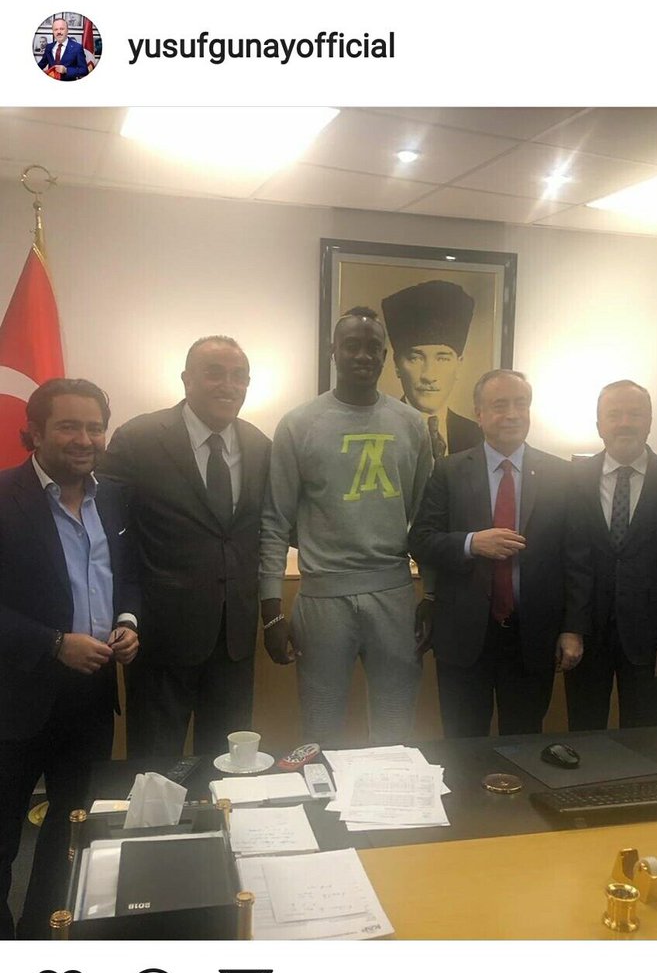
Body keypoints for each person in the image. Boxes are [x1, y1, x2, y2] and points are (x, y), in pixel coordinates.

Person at [0, 379, 139, 939]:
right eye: (68, 426)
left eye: (94, 427)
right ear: (35, 432)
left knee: (70, 831)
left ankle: (43, 938)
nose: (85, 439)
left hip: (90, 699)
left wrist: (128, 621)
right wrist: (54, 642)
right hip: (15, 700)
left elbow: (127, 574)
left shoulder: (116, 498)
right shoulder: (3, 497)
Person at [260, 306, 432, 746]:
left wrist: (430, 594)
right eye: (351, 345)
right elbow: (275, 522)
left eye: (373, 347)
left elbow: (426, 521)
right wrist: (271, 610)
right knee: (320, 732)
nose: (363, 355)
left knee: (395, 732)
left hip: (394, 594)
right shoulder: (298, 424)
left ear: (385, 355)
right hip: (323, 597)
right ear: (333, 350)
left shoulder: (412, 425)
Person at [101, 336, 271, 764]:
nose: (228, 385)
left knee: (229, 765)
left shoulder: (260, 446)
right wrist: (124, 612)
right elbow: (102, 528)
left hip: (234, 638)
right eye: (215, 373)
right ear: (186, 379)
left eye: (239, 376)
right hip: (161, 638)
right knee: (155, 768)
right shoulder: (139, 438)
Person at [408, 369, 591, 738]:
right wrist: (471, 543)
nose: (512, 414)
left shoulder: (562, 475)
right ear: (479, 414)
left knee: (523, 742)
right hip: (463, 636)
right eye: (499, 405)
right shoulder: (449, 471)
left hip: (532, 635)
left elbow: (577, 559)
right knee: (462, 743)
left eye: (521, 404)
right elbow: (421, 540)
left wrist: (573, 629)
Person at [563, 380, 657, 731]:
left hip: (650, 640)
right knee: (584, 736)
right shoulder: (573, 478)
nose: (624, 423)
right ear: (599, 425)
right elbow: (569, 560)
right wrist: (571, 629)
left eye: (634, 414)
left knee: (642, 738)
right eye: (614, 414)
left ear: (649, 422)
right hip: (586, 638)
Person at [381, 280, 482, 457]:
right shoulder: (378, 430)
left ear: (459, 365)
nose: (429, 375)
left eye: (442, 359)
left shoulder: (477, 436)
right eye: (415, 358)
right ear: (397, 365)